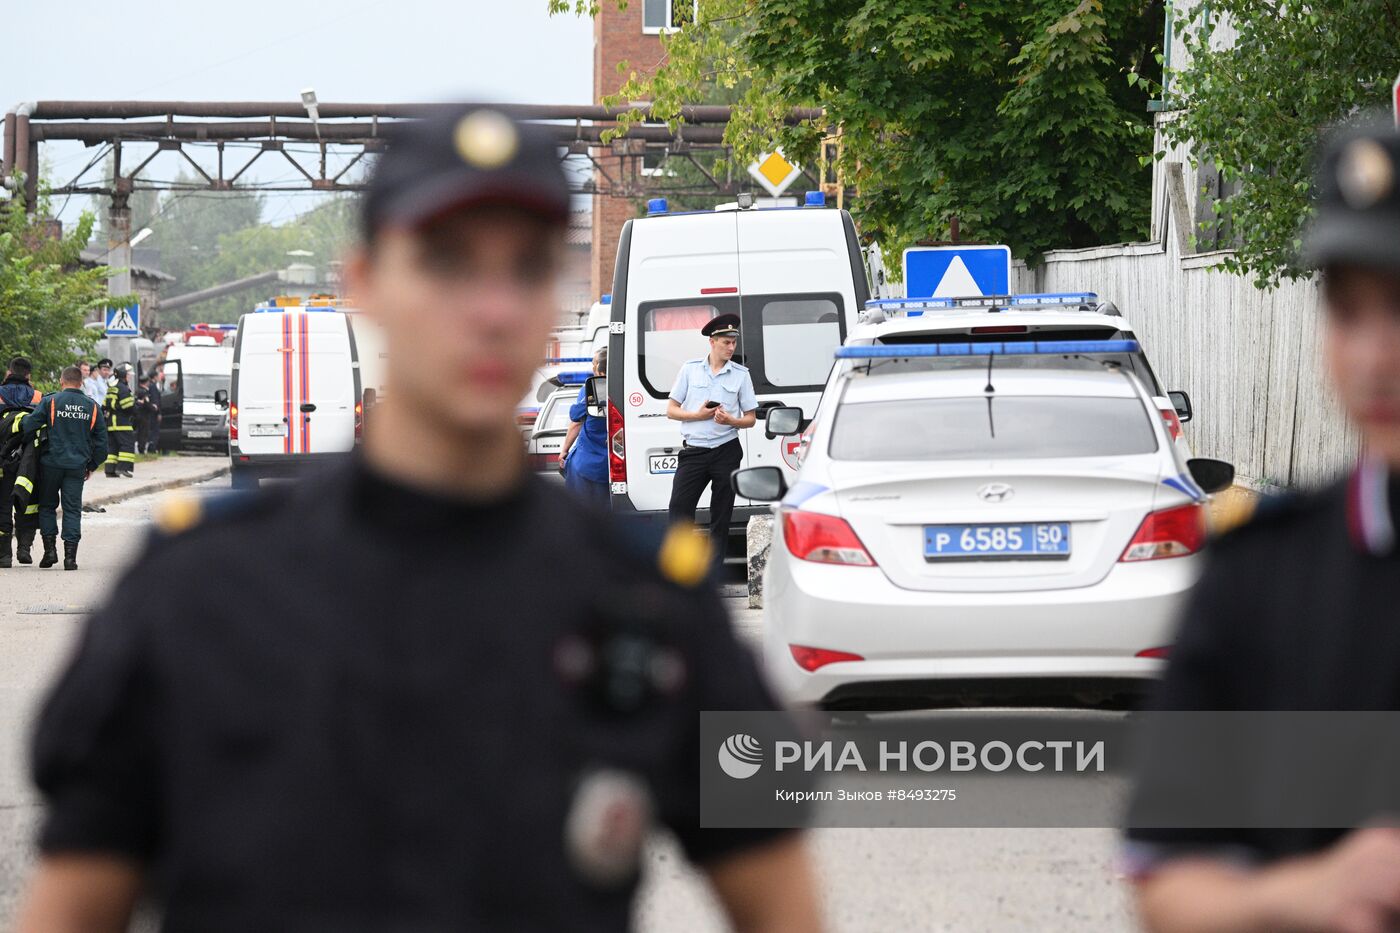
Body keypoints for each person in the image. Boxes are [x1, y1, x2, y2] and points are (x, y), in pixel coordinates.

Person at [18, 105, 820, 933]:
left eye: (525, 267)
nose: (491, 306)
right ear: (362, 280)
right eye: (446, 262)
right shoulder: (198, 594)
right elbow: (71, 904)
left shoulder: (649, 605)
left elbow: (781, 894)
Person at [1126, 119, 1400, 932]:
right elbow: (1165, 883)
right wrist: (1307, 894)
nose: (1375, 356)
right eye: (1347, 313)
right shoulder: (1260, 581)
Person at [665, 314, 758, 555]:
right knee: (679, 510)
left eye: (734, 342)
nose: (731, 347)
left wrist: (731, 420)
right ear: (712, 342)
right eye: (726, 342)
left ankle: (713, 575)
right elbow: (671, 411)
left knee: (721, 515)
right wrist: (698, 416)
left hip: (726, 450)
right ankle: (682, 571)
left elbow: (750, 418)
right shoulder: (690, 369)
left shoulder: (741, 374)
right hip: (694, 451)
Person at [18, 366, 106, 571]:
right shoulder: (92, 407)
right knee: (72, 509)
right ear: (81, 382)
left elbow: (29, 425)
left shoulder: (50, 402)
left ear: (61, 381)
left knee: (47, 506)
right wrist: (91, 465)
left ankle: (50, 552)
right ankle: (70, 558)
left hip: (50, 464)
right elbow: (102, 445)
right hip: (77, 467)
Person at [0, 356, 44, 567]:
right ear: (28, 375)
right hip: (30, 458)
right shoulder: (38, 396)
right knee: (28, 502)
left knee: (3, 506)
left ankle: (3, 555)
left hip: (3, 457)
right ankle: (24, 547)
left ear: (9, 372)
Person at [559, 347, 609, 506]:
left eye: (594, 364)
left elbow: (575, 421)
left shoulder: (592, 388)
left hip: (587, 464)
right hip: (613, 465)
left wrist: (564, 450)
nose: (592, 368)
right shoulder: (628, 387)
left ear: (601, 371)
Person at [102, 363, 136, 477]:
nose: (130, 376)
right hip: (122, 423)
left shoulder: (112, 387)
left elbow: (104, 405)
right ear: (124, 375)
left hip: (111, 423)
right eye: (128, 374)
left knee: (113, 447)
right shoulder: (123, 388)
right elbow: (128, 407)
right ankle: (123, 468)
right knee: (127, 444)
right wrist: (136, 408)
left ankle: (110, 470)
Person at [135, 373, 160, 455]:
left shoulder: (138, 390)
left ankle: (141, 448)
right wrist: (154, 407)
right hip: (144, 416)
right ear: (146, 382)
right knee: (143, 433)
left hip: (139, 415)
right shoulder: (144, 392)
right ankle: (141, 449)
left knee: (141, 432)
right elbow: (146, 404)